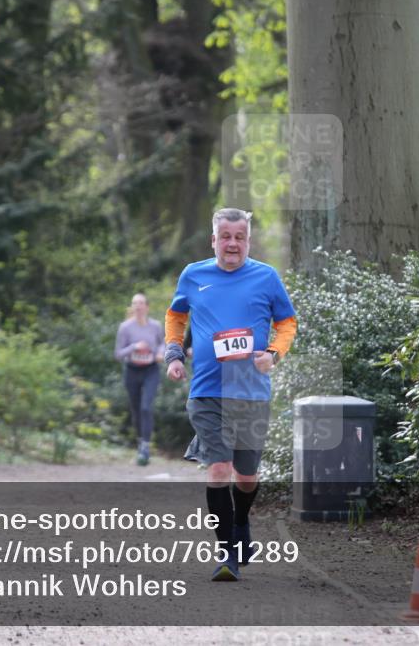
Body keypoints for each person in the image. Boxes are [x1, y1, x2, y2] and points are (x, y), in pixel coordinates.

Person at [164, 208, 297, 581]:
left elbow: (287, 323)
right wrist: (174, 353)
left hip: (251, 393)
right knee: (219, 469)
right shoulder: (194, 275)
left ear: (248, 241)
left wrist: (273, 354)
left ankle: (241, 524)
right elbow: (176, 317)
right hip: (206, 390)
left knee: (247, 476)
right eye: (226, 236)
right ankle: (227, 554)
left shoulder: (266, 277)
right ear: (214, 240)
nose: (232, 243)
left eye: (239, 237)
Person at [114, 293, 165, 466]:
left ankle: (145, 446)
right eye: (135, 303)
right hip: (132, 370)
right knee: (136, 409)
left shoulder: (155, 326)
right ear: (132, 307)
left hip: (151, 370)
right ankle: (140, 440)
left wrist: (160, 353)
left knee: (146, 407)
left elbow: (162, 343)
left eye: (141, 303)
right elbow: (118, 353)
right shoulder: (125, 327)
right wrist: (134, 347)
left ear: (147, 307)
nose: (138, 306)